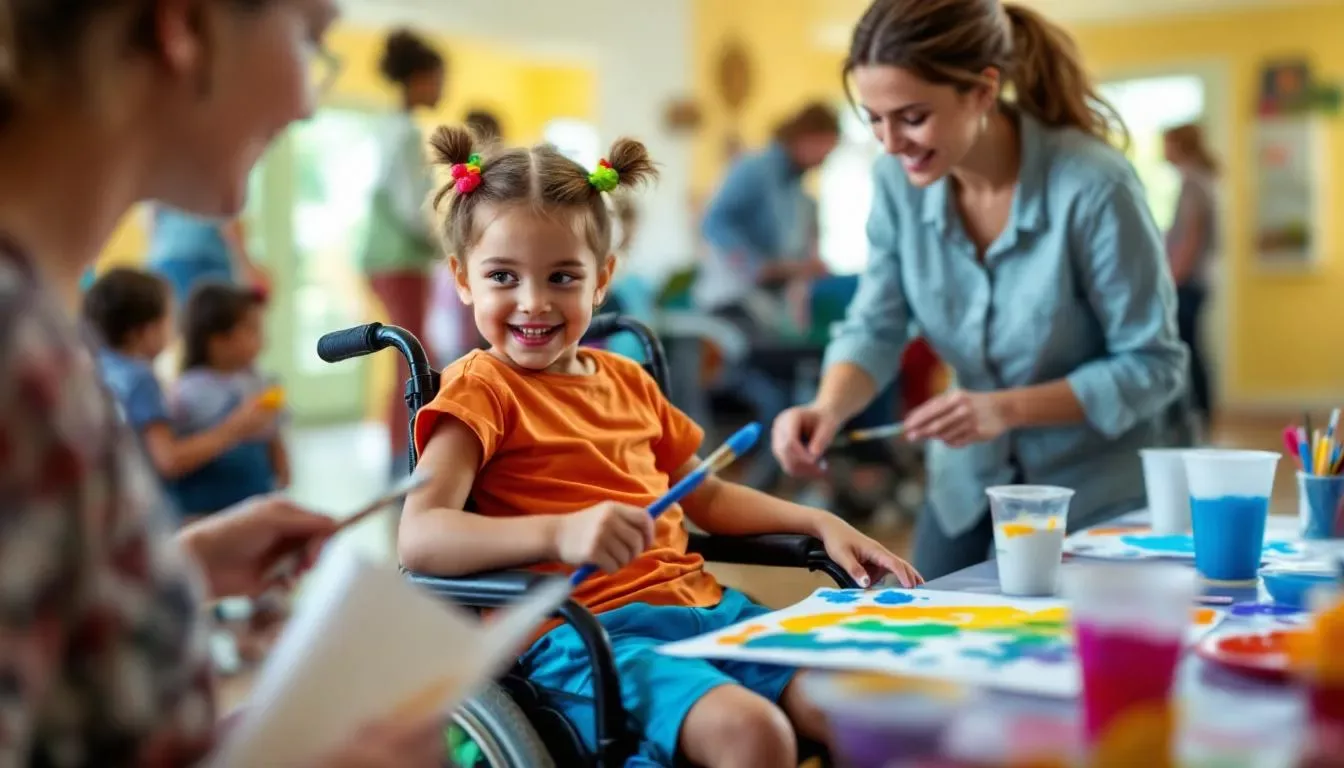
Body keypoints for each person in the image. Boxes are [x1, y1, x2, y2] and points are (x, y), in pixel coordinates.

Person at [0, 1, 444, 764]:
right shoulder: (20, 363)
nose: (308, 100)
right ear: (185, 28)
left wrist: (174, 566)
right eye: (307, 40)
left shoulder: (43, 329)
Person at [400, 125, 922, 767]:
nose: (533, 302)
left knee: (856, 704)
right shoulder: (480, 390)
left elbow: (712, 496)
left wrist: (820, 518)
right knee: (751, 735)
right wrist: (559, 536)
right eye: (502, 276)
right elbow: (420, 538)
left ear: (602, 280)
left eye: (563, 277)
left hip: (702, 609)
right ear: (461, 278)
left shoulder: (627, 380)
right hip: (582, 638)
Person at [771, 0, 1187, 581]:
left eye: (912, 117)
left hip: (1091, 488)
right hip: (966, 485)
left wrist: (1005, 409)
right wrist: (826, 408)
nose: (891, 143)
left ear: (984, 91)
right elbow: (876, 326)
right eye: (874, 119)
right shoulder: (897, 183)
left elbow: (1154, 364)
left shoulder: (1094, 185)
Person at [83, 267, 277, 485]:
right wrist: (236, 428)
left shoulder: (99, 368)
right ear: (144, 331)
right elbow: (168, 460)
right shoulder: (140, 379)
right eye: (170, 317)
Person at [359, 28, 447, 477]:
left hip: (387, 260)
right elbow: (414, 211)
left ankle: (402, 452)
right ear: (417, 79)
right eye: (437, 79)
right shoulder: (404, 134)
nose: (441, 89)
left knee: (407, 357)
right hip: (399, 261)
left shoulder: (388, 128)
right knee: (412, 358)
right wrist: (452, 240)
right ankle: (403, 457)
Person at [169, 282, 290, 520]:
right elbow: (180, 449)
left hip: (255, 497)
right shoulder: (188, 390)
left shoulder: (259, 380)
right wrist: (235, 428)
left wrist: (282, 466)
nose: (262, 339)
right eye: (252, 330)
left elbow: (272, 431)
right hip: (207, 508)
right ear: (217, 340)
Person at [1163, 122, 1219, 430]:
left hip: (1188, 281)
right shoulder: (1202, 179)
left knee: (1188, 351)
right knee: (1193, 348)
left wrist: (1171, 280)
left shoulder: (1194, 183)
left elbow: (1191, 239)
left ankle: (1197, 418)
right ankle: (1200, 417)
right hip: (1196, 280)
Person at [147, 208, 268, 304]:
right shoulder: (217, 181)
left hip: (166, 265)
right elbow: (230, 224)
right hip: (207, 266)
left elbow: (151, 222)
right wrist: (246, 264)